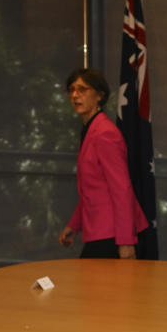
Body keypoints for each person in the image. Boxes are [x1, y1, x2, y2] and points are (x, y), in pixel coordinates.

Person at [58, 68, 148, 259]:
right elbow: (92, 190)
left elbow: (121, 188)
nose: (75, 95)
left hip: (112, 234)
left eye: (82, 89)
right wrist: (74, 225)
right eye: (72, 90)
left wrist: (125, 241)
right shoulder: (91, 129)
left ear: (99, 96)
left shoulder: (105, 133)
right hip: (99, 231)